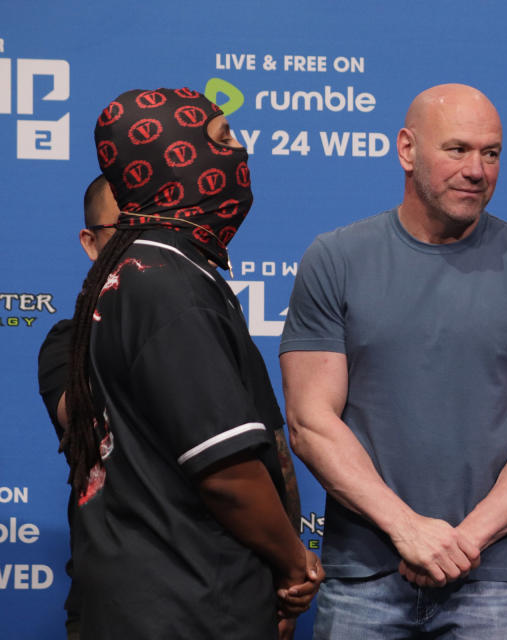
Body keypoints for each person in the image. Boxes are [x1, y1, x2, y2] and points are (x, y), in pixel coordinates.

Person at [280, 83, 507, 639]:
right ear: (407, 150)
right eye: (458, 149)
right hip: (364, 575)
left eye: (490, 154)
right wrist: (407, 529)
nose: (476, 169)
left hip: (491, 578)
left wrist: (462, 543)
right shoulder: (335, 259)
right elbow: (309, 421)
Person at [60, 88, 321, 639]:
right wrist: (294, 562)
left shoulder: (140, 272)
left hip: (157, 596)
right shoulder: (168, 285)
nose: (240, 154)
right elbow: (224, 471)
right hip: (188, 604)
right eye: (223, 139)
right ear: (171, 159)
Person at [36, 175, 118, 640]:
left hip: (225, 600)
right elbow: (77, 414)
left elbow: (265, 446)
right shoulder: (70, 344)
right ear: (91, 242)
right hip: (111, 604)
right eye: (123, 231)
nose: (141, 249)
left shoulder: (207, 327)